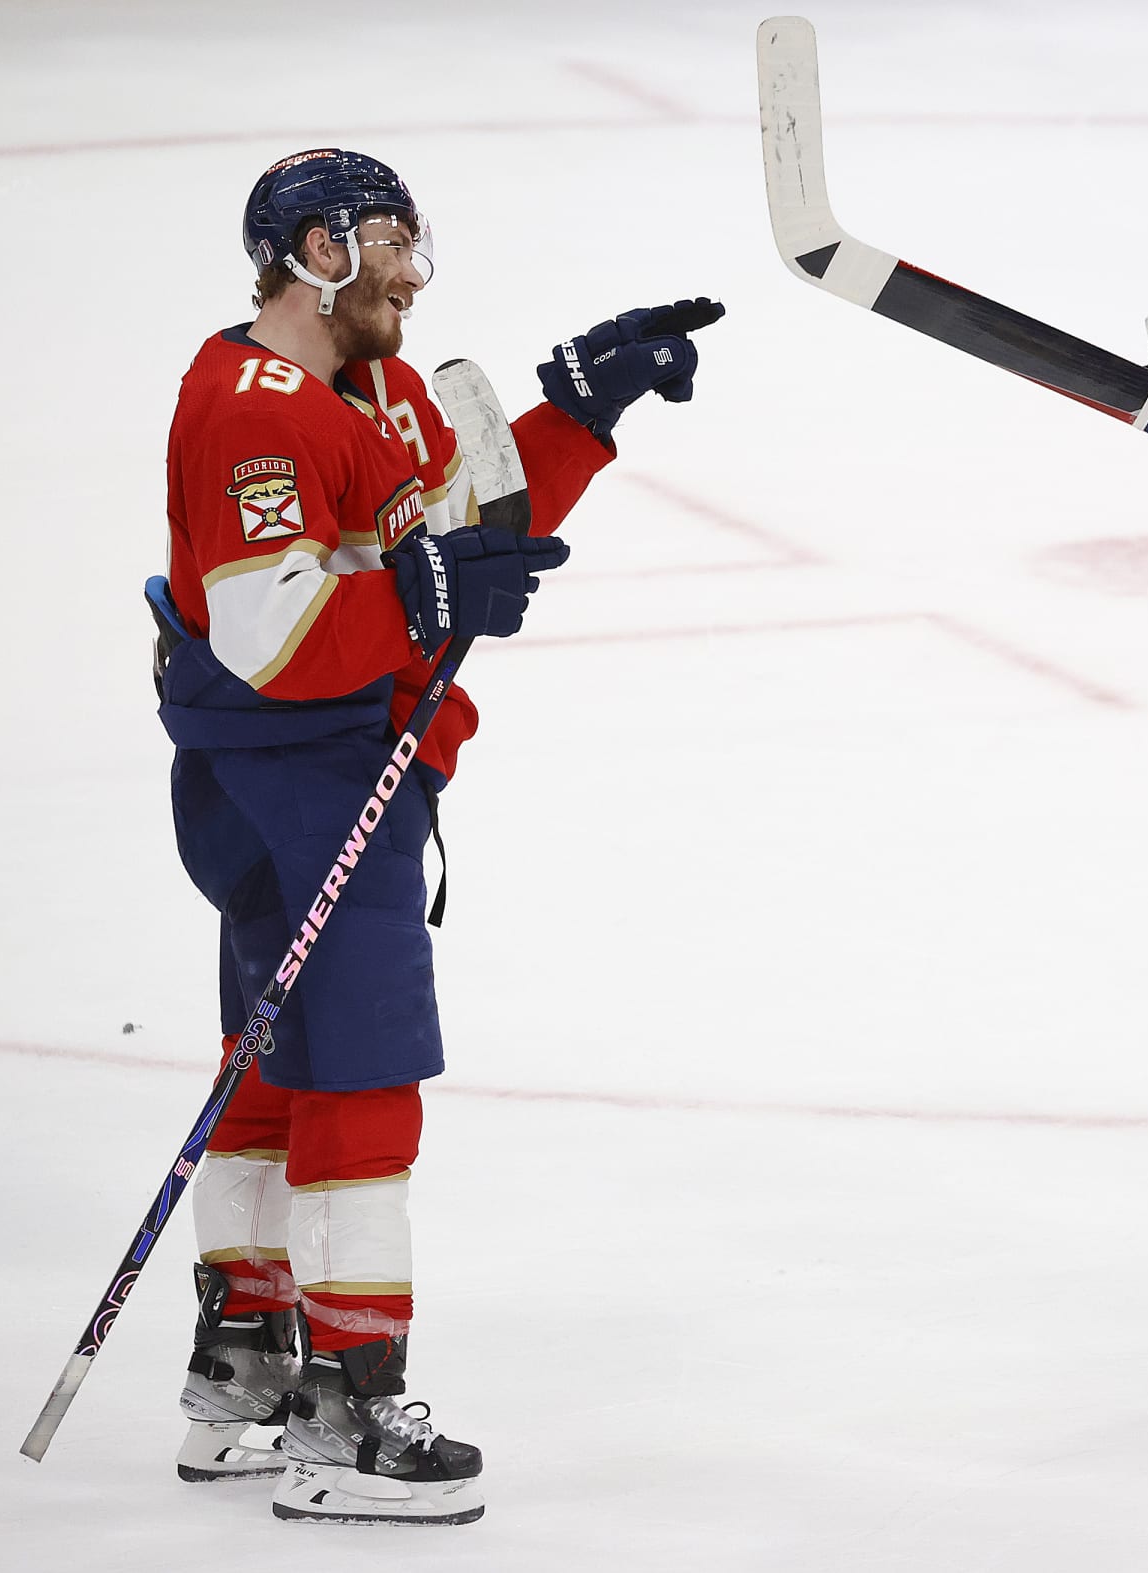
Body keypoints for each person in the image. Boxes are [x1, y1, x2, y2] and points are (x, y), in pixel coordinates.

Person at [157, 146, 722, 1524]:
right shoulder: (247, 410)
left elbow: (466, 532)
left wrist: (576, 418)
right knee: (364, 1071)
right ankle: (347, 1413)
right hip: (300, 772)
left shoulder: (382, 386)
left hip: (326, 764)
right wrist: (420, 597)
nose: (412, 267)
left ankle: (240, 1364)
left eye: (416, 239)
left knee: (282, 1061)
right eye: (385, 241)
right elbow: (268, 630)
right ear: (311, 252)